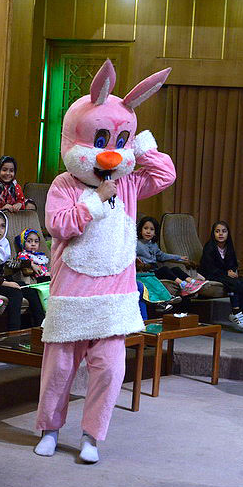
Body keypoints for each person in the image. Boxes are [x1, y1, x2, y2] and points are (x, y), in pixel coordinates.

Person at [34, 60, 174, 464]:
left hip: (114, 297)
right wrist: (95, 201)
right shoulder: (64, 184)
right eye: (101, 140)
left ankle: (91, 437)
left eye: (117, 142)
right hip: (72, 294)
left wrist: (141, 147)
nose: (109, 156)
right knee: (59, 371)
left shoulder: (128, 183)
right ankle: (49, 430)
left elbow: (164, 176)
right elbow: (58, 225)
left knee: (110, 369)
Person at [0, 210, 45, 331]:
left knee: (31, 291)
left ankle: (40, 330)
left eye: (2, 226)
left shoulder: (4, 244)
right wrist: (7, 283)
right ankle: (13, 333)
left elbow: (10, 263)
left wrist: (30, 263)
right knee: (15, 292)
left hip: (2, 282)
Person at [200, 221, 243, 330]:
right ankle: (236, 311)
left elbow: (233, 263)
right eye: (217, 231)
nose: (220, 234)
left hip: (225, 274)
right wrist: (226, 273)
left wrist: (231, 270)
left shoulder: (229, 246)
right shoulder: (209, 246)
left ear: (228, 233)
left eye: (224, 231)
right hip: (211, 273)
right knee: (232, 283)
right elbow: (208, 267)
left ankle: (240, 312)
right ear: (213, 233)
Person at [135, 217, 205, 297]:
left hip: (155, 270)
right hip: (147, 272)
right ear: (140, 230)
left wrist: (179, 257)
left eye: (152, 229)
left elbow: (162, 256)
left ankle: (193, 282)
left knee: (176, 269)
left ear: (155, 233)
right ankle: (184, 285)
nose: (148, 231)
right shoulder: (137, 244)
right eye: (145, 228)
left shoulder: (153, 244)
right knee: (164, 269)